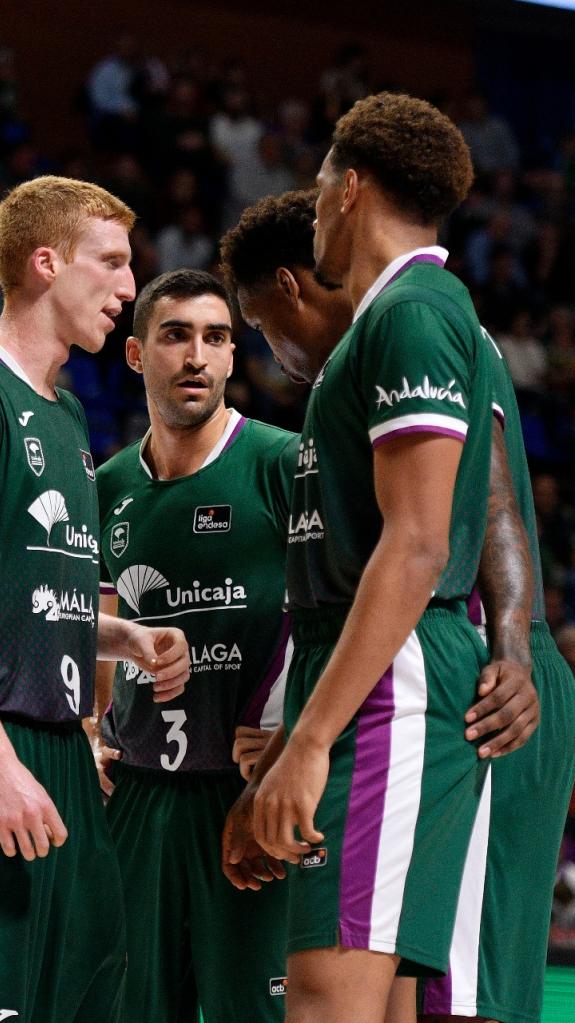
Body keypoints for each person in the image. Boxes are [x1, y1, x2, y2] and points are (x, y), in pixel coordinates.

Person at [220, 188, 575, 1023]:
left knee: (463, 997)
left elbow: (488, 503)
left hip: (480, 681)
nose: (270, 352)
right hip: (422, 675)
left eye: (262, 327)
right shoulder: (367, 362)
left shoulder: (416, 324)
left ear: (289, 284)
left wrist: (514, 644)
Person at [0, 175, 190, 1023]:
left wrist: (122, 635)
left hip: (58, 753)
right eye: (114, 263)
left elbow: (27, 597)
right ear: (46, 263)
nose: (129, 289)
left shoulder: (63, 413)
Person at [95, 268, 296, 1023]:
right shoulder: (108, 484)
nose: (197, 356)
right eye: (176, 335)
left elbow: (341, 612)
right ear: (136, 354)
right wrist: (87, 724)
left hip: (250, 794)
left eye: (217, 338)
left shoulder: (284, 462)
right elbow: (88, 625)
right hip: (138, 796)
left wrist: (294, 730)